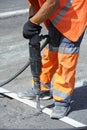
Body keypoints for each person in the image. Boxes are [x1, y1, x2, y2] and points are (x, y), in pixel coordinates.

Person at [18, 0, 87, 119]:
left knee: (66, 59)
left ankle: (62, 101)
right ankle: (41, 88)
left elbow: (52, 2)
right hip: (57, 15)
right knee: (51, 53)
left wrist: (33, 23)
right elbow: (33, 1)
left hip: (74, 14)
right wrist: (33, 18)